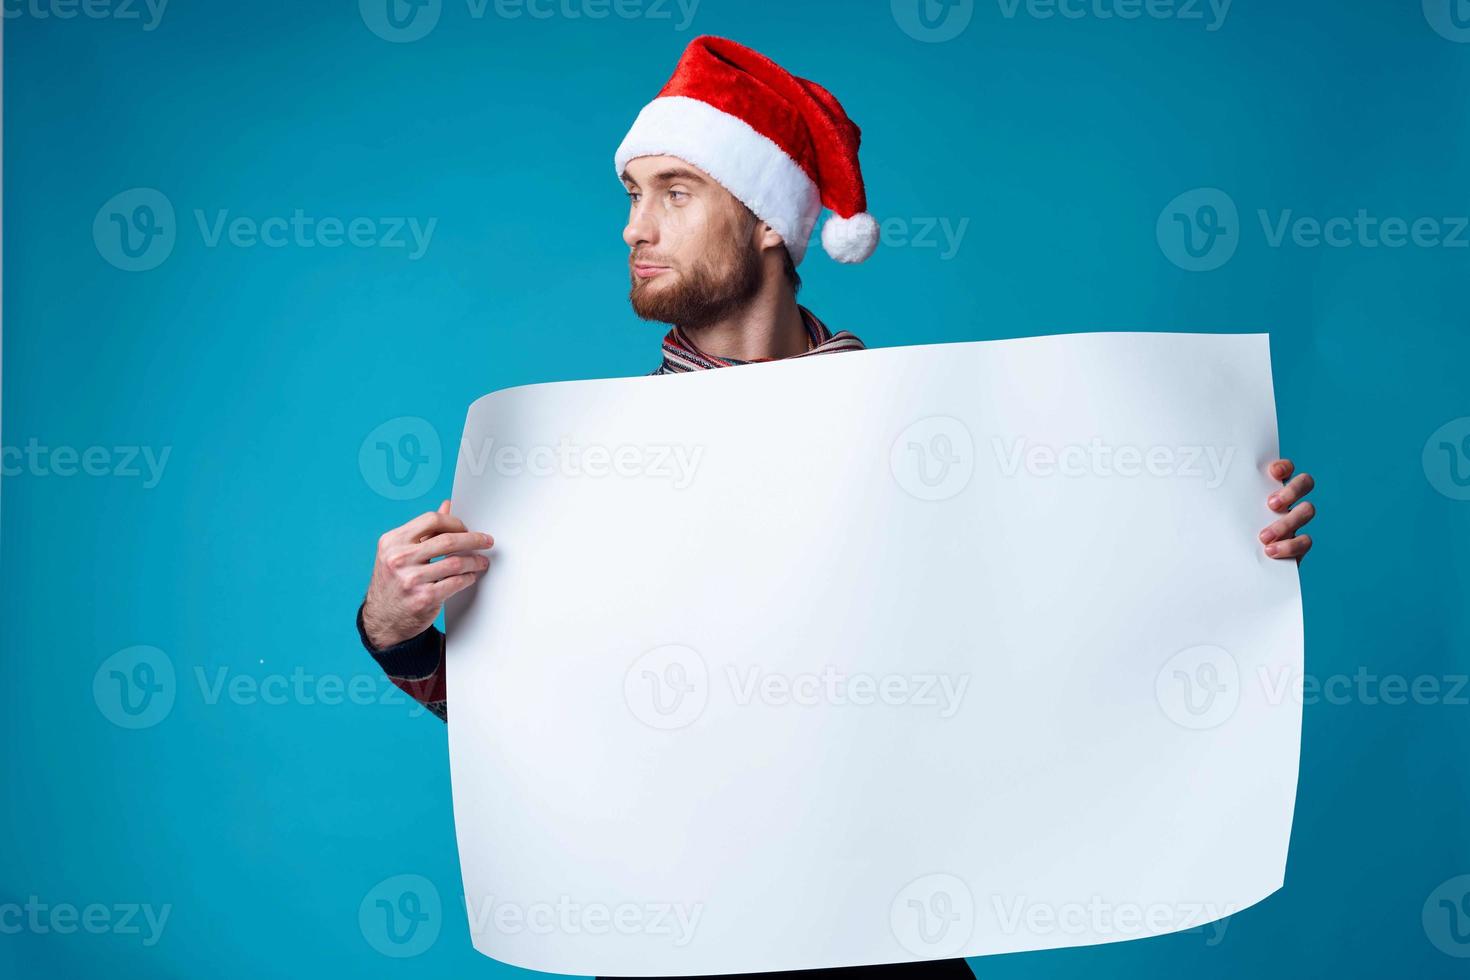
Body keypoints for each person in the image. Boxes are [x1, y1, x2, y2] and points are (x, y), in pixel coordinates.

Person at [355, 35, 1317, 980]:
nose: (633, 228)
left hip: (885, 939)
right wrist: (396, 630)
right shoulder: (573, 470)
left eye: (675, 192)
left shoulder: (934, 445)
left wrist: (1228, 543)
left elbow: (1056, 636)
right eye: (632, 194)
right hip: (671, 942)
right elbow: (542, 725)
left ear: (769, 220)